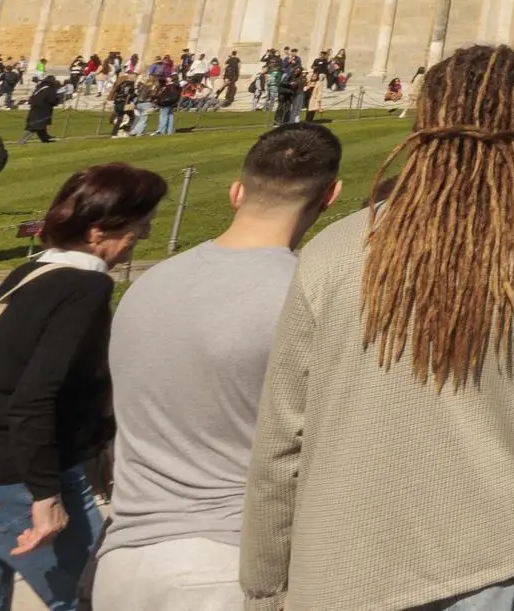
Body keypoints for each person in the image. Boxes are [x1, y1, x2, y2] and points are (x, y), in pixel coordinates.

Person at [240, 45, 514, 611]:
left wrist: (265, 587)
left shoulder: (335, 250)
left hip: (340, 562)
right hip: (481, 558)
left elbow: (280, 442)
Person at [93, 126, 343, 610]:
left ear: (236, 192)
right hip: (225, 561)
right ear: (330, 197)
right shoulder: (308, 295)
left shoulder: (150, 284)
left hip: (123, 561)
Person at [0, 163, 168, 611]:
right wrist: (44, 495)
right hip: (16, 482)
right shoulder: (85, 287)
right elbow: (36, 396)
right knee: (91, 600)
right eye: (140, 225)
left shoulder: (30, 271)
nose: (143, 234)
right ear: (100, 231)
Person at [21, 74, 62, 145]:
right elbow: (52, 100)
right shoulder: (49, 89)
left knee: (40, 126)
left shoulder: (40, 87)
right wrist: (58, 99)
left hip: (35, 108)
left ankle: (45, 138)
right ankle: (22, 141)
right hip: (43, 110)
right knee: (34, 126)